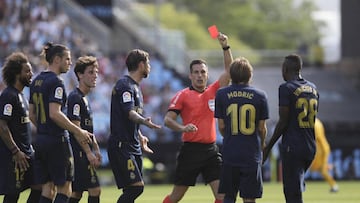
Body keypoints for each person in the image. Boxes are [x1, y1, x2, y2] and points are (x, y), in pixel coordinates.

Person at [162, 33, 232, 203]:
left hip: (211, 150)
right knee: (176, 197)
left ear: (207, 75)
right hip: (190, 151)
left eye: (202, 72)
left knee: (222, 196)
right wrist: (183, 128)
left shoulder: (214, 90)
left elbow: (230, 71)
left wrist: (225, 47)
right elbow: (168, 120)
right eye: (196, 72)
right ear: (190, 76)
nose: (200, 75)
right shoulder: (183, 95)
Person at [29, 42, 93, 203]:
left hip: (41, 140)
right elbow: (55, 113)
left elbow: (31, 114)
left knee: (48, 189)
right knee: (65, 188)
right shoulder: (57, 82)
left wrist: (44, 129)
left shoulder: (36, 81)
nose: (70, 63)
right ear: (57, 59)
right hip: (57, 140)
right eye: (67, 59)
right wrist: (78, 131)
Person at [263, 54, 320, 203]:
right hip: (310, 146)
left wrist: (268, 148)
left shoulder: (286, 88)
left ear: (285, 69)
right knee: (296, 187)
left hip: (293, 146)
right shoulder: (313, 88)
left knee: (292, 194)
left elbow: (283, 122)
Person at [107, 49, 162, 203]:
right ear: (141, 65)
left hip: (132, 145)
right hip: (122, 146)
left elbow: (128, 119)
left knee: (131, 189)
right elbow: (129, 113)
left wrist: (140, 135)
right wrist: (145, 121)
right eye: (148, 63)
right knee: (136, 187)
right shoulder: (125, 85)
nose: (150, 67)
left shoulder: (136, 87)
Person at [214, 57, 269, 203]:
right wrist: (261, 145)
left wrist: (230, 138)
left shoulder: (221, 94)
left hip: (230, 151)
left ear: (231, 75)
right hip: (251, 153)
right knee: (249, 197)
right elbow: (262, 129)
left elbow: (221, 126)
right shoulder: (260, 96)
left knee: (229, 196)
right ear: (249, 75)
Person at [0, 52, 42, 203]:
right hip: (14, 156)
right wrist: (15, 151)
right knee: (12, 194)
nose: (31, 74)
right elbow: (2, 125)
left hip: (27, 153)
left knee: (40, 186)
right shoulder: (8, 96)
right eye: (27, 71)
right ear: (17, 74)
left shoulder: (22, 96)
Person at [67, 56, 102, 203]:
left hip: (82, 151)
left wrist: (96, 148)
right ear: (80, 75)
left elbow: (87, 129)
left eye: (96, 72)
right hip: (78, 152)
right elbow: (76, 128)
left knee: (76, 193)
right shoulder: (75, 97)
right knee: (94, 190)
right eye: (91, 72)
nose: (95, 75)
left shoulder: (84, 98)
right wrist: (88, 152)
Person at [309, 118, 338, 193]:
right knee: (317, 168)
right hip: (322, 148)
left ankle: (334, 186)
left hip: (321, 149)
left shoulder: (315, 124)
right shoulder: (317, 122)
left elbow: (317, 138)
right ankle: (331, 167)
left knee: (321, 170)